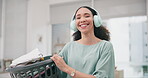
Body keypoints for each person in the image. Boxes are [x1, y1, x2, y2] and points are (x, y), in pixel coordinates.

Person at [50, 6, 115, 78]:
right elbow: (56, 70)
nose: (82, 20)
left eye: (87, 16)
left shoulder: (105, 46)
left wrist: (67, 69)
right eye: (78, 18)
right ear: (74, 23)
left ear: (95, 20)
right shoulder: (69, 47)